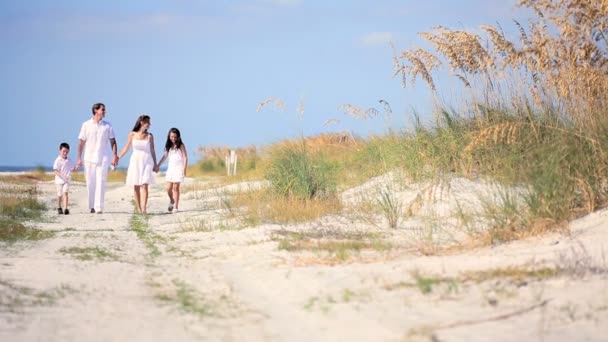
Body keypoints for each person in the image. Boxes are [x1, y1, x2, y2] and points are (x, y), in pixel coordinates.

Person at [76, 103, 118, 214]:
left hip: (103, 158)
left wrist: (114, 156)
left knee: (101, 181)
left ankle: (99, 207)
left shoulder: (107, 125)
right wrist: (79, 158)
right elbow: (81, 142)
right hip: (89, 158)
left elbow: (113, 142)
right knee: (90, 182)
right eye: (102, 110)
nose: (104, 112)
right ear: (96, 110)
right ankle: (92, 206)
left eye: (104, 110)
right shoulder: (86, 125)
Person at [117, 115, 157, 214]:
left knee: (144, 184)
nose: (149, 124)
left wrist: (156, 164)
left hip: (147, 161)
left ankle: (144, 208)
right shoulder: (132, 134)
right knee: (136, 185)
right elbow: (126, 147)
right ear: (141, 122)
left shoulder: (150, 136)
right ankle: (138, 208)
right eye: (148, 122)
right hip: (135, 161)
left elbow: (152, 150)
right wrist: (117, 157)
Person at [155, 128, 188, 213]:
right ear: (169, 136)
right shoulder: (168, 146)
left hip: (179, 168)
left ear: (178, 137)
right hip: (170, 169)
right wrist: (158, 165)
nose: (173, 138)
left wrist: (184, 169)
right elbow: (164, 157)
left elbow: (185, 157)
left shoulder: (181, 145)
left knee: (176, 188)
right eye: (171, 137)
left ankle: (176, 207)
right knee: (168, 189)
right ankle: (172, 200)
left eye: (175, 137)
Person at [53, 142, 77, 215]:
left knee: (65, 193)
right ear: (60, 151)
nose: (65, 153)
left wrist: (78, 165)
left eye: (66, 152)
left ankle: (66, 208)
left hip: (66, 180)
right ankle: (59, 207)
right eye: (63, 151)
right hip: (59, 181)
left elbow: (73, 168)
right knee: (59, 194)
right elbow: (55, 170)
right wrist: (62, 175)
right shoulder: (57, 160)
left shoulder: (69, 161)